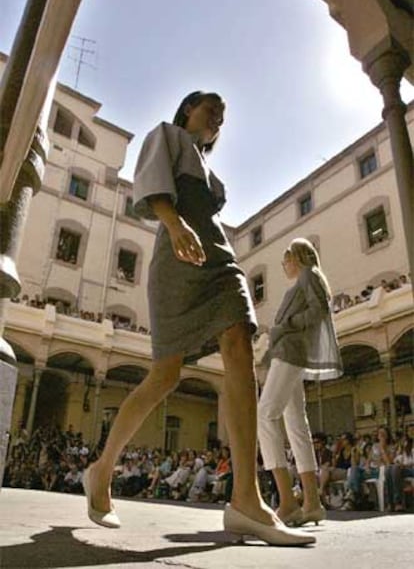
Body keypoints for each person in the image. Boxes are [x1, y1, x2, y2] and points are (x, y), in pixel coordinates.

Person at [82, 91, 314, 545]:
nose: (218, 120)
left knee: (239, 345)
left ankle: (246, 497)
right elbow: (150, 188)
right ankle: (102, 469)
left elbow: (207, 215)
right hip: (177, 262)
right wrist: (173, 223)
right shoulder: (165, 135)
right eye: (212, 110)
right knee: (164, 376)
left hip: (220, 261)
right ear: (189, 108)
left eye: (223, 117)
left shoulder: (213, 175)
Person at [258, 238, 342, 526]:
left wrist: (286, 326)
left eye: (286, 260)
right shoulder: (303, 280)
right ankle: (312, 502)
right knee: (295, 423)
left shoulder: (308, 275)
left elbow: (318, 311)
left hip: (291, 352)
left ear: (296, 257)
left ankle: (286, 500)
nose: (285, 266)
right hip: (288, 351)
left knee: (265, 414)